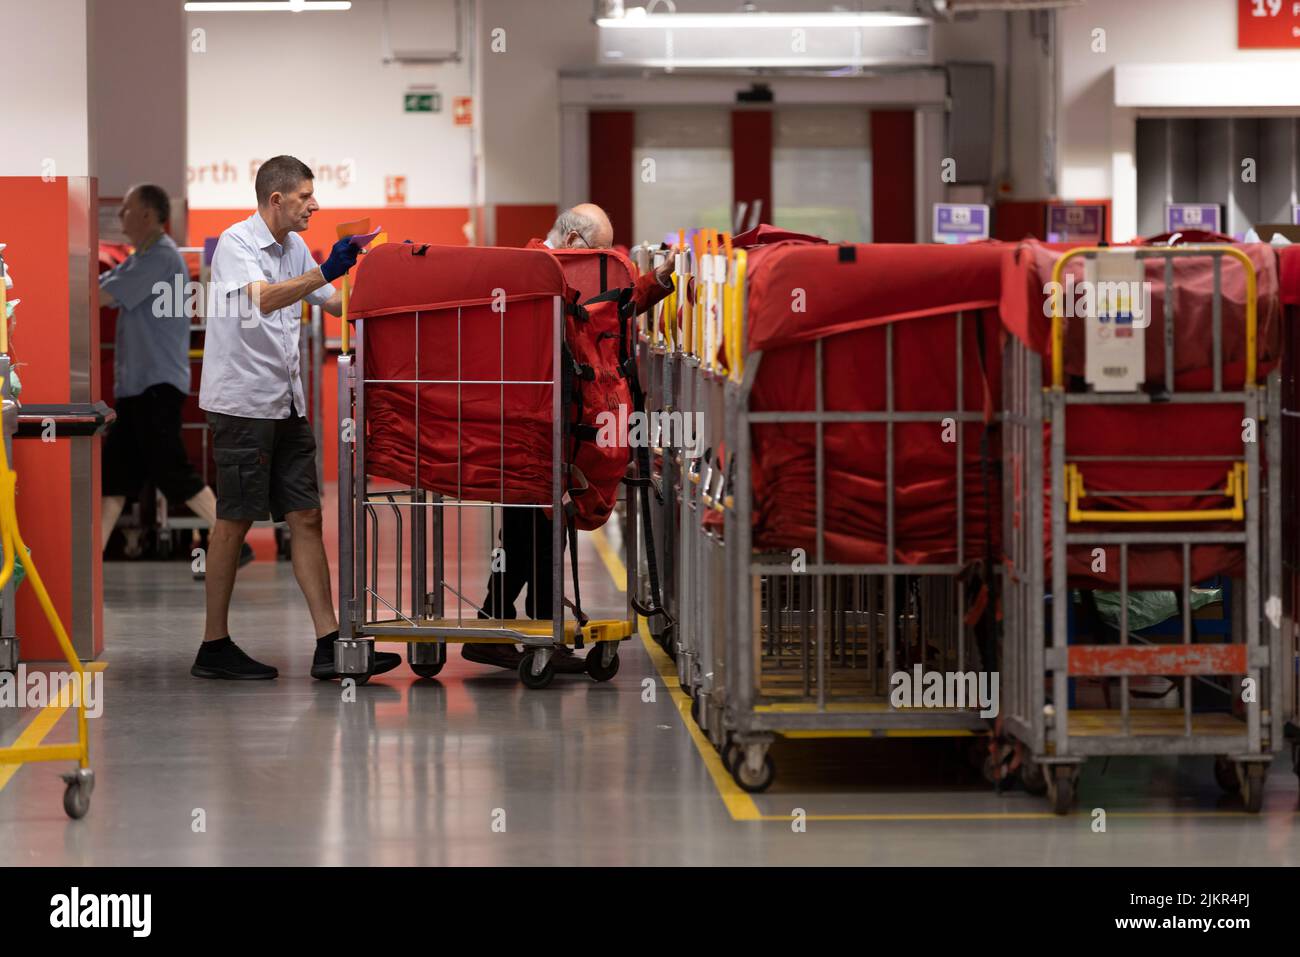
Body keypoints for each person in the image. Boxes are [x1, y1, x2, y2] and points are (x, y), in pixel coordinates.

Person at [193, 155, 401, 681]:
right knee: (235, 520)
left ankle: (330, 643)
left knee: (306, 516)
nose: (316, 204)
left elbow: (335, 304)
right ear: (276, 199)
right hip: (242, 404)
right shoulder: (237, 246)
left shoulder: (294, 249)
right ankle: (213, 646)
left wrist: (380, 275)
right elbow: (262, 301)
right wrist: (323, 271)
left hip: (287, 402)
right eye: (307, 195)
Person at [464, 203, 677, 672]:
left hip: (549, 426)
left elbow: (611, 308)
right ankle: (542, 635)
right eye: (598, 250)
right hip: (533, 428)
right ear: (576, 242)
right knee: (538, 529)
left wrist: (660, 280)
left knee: (528, 532)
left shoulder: (566, 273)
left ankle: (495, 623)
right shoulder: (533, 272)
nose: (601, 260)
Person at [98, 185, 252, 576]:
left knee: (171, 470)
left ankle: (231, 536)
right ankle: (89, 563)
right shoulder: (142, 257)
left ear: (147, 215)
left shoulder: (161, 258)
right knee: (115, 480)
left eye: (127, 209)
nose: (120, 217)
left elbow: (99, 295)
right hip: (138, 389)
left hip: (155, 387)